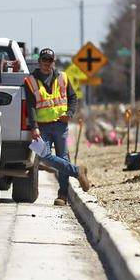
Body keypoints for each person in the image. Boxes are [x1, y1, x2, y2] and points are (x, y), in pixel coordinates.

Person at [24, 48, 90, 206]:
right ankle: (77, 171)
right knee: (46, 157)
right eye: (44, 61)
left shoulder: (63, 78)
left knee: (62, 158)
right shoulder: (30, 81)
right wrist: (34, 127)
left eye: (50, 61)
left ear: (53, 62)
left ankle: (63, 195)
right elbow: (31, 106)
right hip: (43, 127)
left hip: (61, 125)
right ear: (39, 62)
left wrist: (70, 113)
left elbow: (73, 98)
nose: (47, 64)